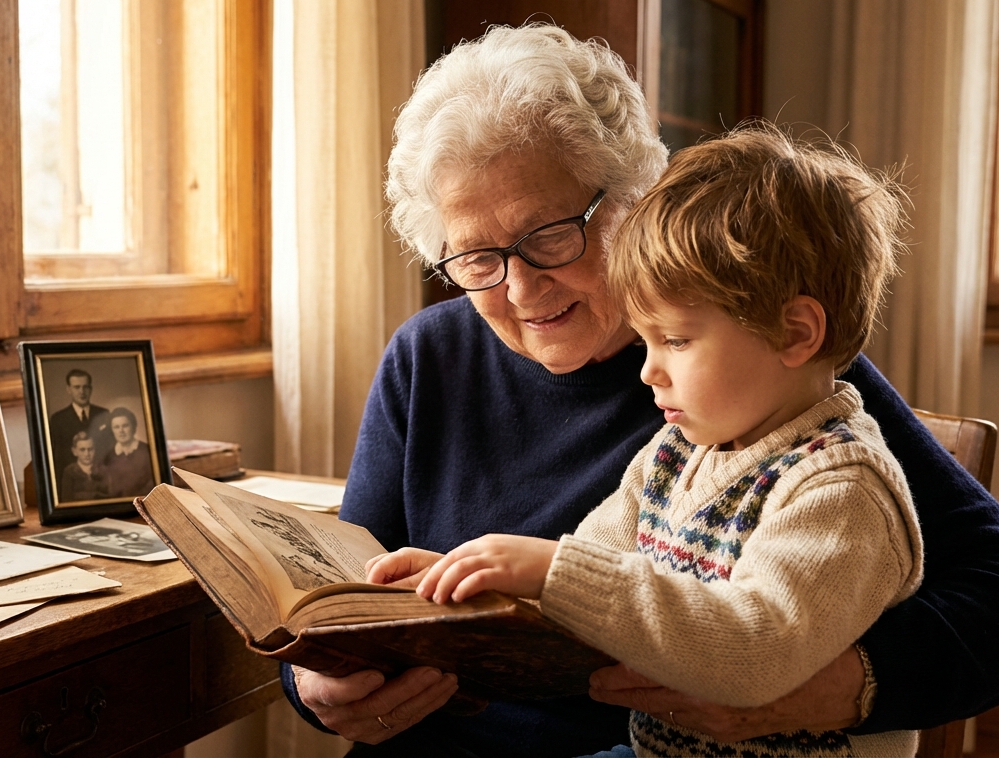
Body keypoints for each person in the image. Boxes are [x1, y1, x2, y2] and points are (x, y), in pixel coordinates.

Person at [281, 25, 999, 757]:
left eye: (549, 235)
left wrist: (823, 692)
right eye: (477, 258)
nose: (520, 288)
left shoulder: (763, 374)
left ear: (636, 196)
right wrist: (314, 683)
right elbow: (341, 595)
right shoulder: (428, 357)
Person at [370, 125, 925, 756]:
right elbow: (584, 577)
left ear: (796, 333)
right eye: (646, 338)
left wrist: (552, 571)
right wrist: (459, 593)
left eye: (676, 341)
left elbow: (755, 649)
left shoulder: (842, 489)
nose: (647, 370)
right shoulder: (676, 453)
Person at [48, 370, 111, 477]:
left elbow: (109, 450)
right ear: (69, 389)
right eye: (77, 387)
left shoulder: (104, 414)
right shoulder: (58, 419)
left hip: (101, 477)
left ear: (91, 389)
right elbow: (57, 458)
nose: (82, 392)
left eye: (85, 387)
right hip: (72, 479)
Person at [98, 407, 155, 498]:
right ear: (112, 430)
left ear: (133, 427)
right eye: (116, 427)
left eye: (125, 426)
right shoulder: (107, 457)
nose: (121, 431)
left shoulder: (148, 451)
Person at [60, 431, 109, 502]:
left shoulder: (103, 470)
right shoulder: (69, 472)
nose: (87, 454)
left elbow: (110, 497)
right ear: (74, 451)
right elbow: (66, 499)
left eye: (90, 449)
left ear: (95, 450)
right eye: (82, 450)